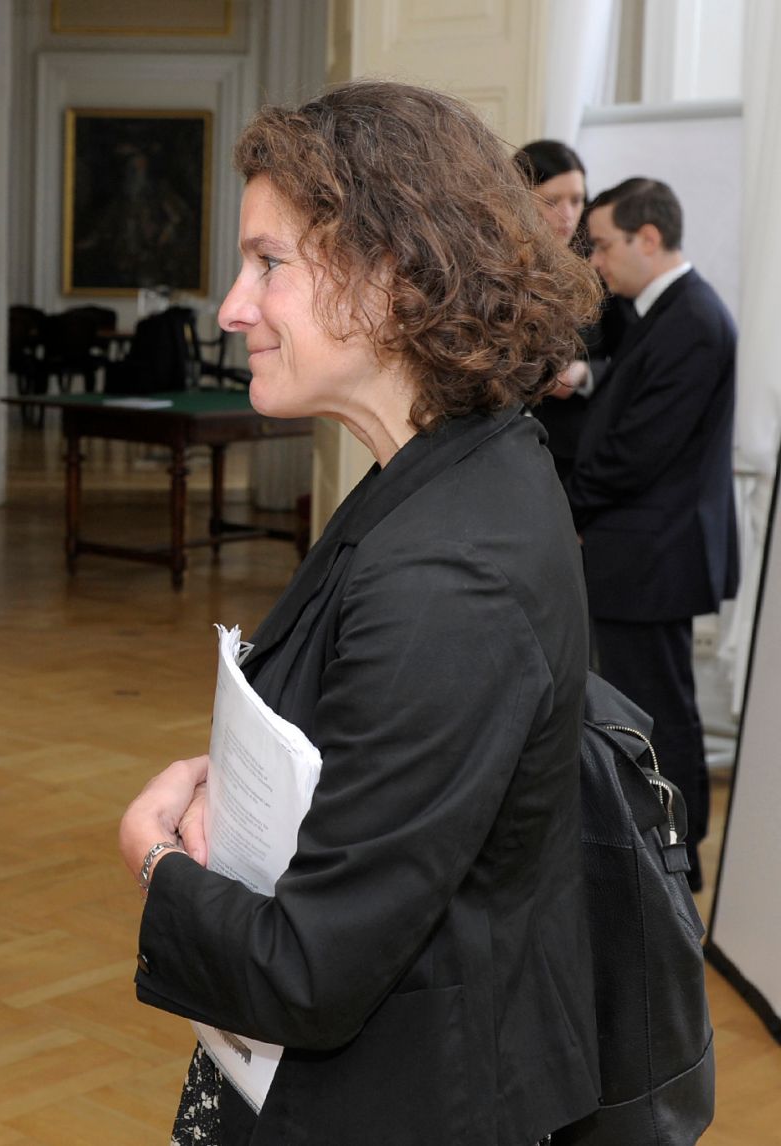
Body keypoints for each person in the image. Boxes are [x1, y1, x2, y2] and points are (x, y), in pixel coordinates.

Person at [117, 81, 604, 1144]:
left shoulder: (446, 569)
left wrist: (152, 855)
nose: (231, 308)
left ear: (392, 276)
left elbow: (305, 971)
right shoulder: (448, 465)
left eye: (267, 263)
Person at [571, 176, 739, 890]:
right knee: (650, 708)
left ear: (647, 237)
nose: (597, 262)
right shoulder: (667, 312)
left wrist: (558, 507)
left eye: (604, 245)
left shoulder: (692, 317)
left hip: (653, 558)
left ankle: (678, 868)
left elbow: (637, 451)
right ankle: (661, 858)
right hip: (643, 554)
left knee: (660, 715)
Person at [515, 139, 629, 484]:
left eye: (577, 200)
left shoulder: (599, 267)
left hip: (575, 453)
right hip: (503, 443)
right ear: (518, 199)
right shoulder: (492, 267)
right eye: (551, 201)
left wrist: (584, 374)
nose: (567, 215)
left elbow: (635, 359)